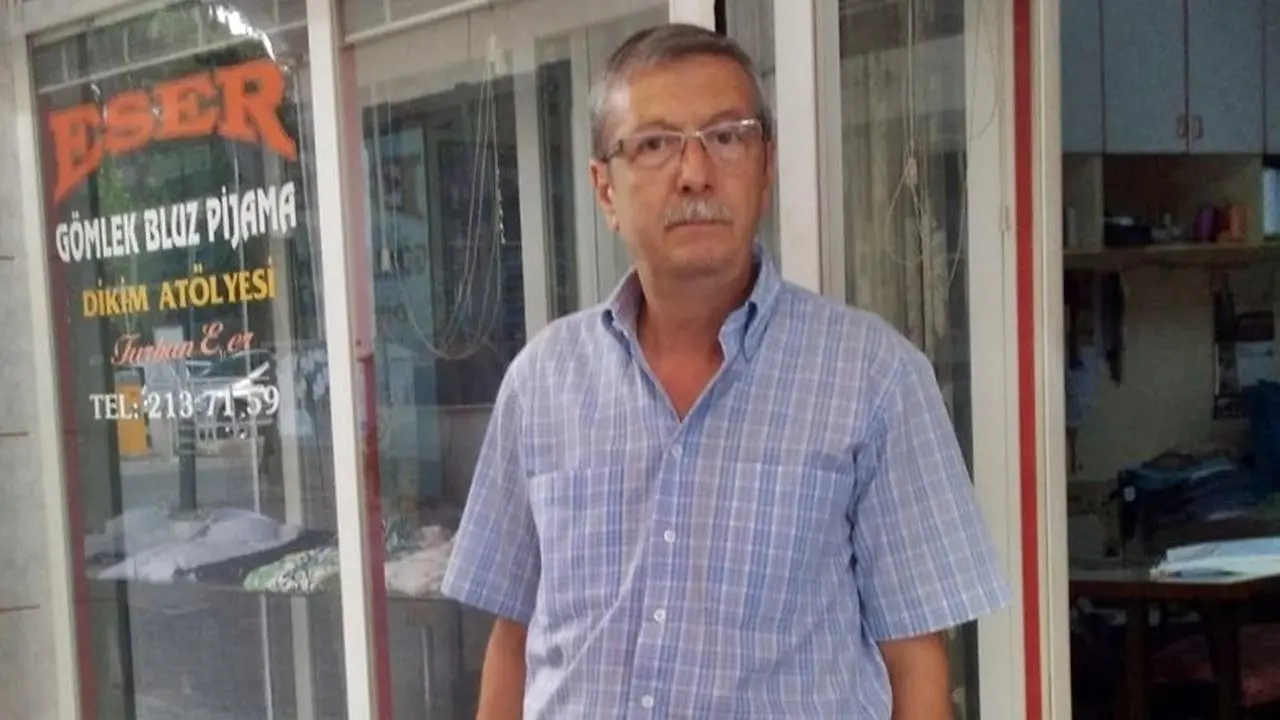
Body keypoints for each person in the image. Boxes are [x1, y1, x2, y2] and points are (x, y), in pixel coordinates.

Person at [441, 23, 1010, 719]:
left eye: (727, 136)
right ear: (605, 189)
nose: (695, 173)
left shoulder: (875, 379)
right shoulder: (541, 382)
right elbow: (514, 637)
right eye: (654, 144)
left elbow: (916, 663)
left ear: (766, 167)